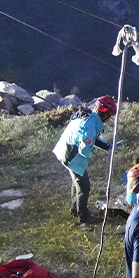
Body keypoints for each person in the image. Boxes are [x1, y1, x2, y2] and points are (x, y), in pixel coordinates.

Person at [53, 96, 116, 225]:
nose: (110, 119)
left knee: (77, 182)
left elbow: (91, 138)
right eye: (110, 115)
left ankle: (75, 209)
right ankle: (83, 217)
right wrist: (89, 155)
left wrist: (107, 146)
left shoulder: (89, 117)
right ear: (105, 115)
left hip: (64, 149)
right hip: (72, 156)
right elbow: (84, 148)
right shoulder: (90, 126)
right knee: (84, 186)